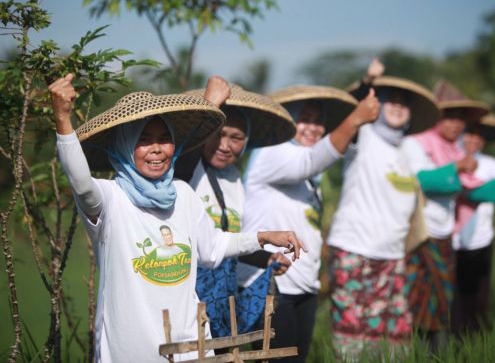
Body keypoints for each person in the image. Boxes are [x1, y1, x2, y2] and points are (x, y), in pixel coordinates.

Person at [49, 74, 306, 362]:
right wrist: (63, 120)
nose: (157, 149)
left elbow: (213, 248)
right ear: (124, 146)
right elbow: (81, 184)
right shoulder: (110, 199)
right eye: (144, 140)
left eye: (164, 139)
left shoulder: (182, 194)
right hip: (132, 349)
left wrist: (262, 238)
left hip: (189, 345)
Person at [242, 84, 381, 362]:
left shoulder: (307, 178)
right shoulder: (272, 152)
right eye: (304, 118)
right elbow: (312, 161)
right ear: (288, 120)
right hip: (270, 285)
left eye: (319, 121)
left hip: (303, 286)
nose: (314, 128)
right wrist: (354, 119)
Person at [326, 58, 440, 358]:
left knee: (394, 339)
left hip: (392, 256)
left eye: (405, 103)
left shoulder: (405, 150)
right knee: (353, 335)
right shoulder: (364, 136)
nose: (398, 106)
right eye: (392, 100)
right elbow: (348, 114)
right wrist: (368, 81)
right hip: (355, 249)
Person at [401, 81, 495, 350]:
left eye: (460, 118)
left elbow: (473, 192)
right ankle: (416, 352)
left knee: (440, 301)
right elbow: (421, 180)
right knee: (416, 301)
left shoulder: (454, 151)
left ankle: (436, 354)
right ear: (435, 117)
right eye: (449, 116)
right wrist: (457, 167)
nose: (456, 124)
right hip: (418, 237)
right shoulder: (415, 144)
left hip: (443, 237)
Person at [187, 85, 297, 338]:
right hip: (188, 292)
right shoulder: (187, 169)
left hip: (221, 294)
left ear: (246, 142)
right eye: (218, 133)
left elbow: (226, 243)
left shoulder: (236, 180)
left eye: (236, 138)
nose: (224, 145)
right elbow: (188, 143)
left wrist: (265, 259)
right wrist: (210, 105)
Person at [452, 114, 495, 333]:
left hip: (482, 240)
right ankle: (454, 340)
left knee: (479, 298)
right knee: (455, 298)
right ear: (461, 135)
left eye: (479, 136)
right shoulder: (452, 159)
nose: (473, 140)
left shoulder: (491, 164)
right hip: (453, 241)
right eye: (469, 134)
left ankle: (477, 341)